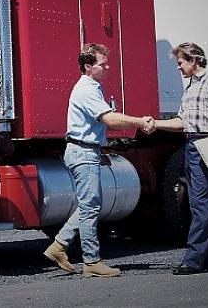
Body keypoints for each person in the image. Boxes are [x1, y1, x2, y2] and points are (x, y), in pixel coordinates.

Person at [43, 43, 155, 277]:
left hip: (85, 150)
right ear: (87, 67)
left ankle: (59, 246)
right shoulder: (87, 90)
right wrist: (140, 122)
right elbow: (110, 120)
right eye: (102, 64)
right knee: (91, 206)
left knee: (89, 205)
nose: (107, 67)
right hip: (82, 152)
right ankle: (91, 262)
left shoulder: (92, 87)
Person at [154, 42, 208, 275]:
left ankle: (193, 260)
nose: (178, 68)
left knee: (201, 203)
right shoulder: (190, 89)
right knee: (201, 203)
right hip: (192, 144)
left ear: (193, 60)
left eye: (180, 62)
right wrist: (154, 124)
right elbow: (182, 122)